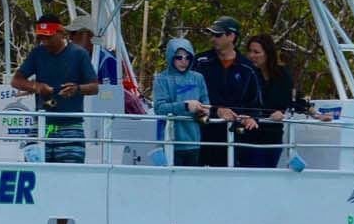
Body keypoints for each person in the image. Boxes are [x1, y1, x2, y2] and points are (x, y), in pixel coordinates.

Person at [11, 13, 99, 163]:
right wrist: (36, 86)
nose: (44, 42)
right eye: (41, 38)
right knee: (34, 172)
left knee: (69, 175)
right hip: (42, 124)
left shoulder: (79, 54)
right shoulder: (37, 53)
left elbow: (94, 87)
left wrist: (77, 89)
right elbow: (16, 80)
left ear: (61, 33)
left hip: (70, 125)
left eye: (49, 37)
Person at [191, 16, 261, 167]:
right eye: (212, 35)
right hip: (200, 133)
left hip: (233, 136)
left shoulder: (248, 67)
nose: (213, 39)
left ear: (232, 36)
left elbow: (255, 102)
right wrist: (217, 111)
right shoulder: (200, 61)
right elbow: (189, 95)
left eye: (218, 35)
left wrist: (251, 117)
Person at [238, 33, 309, 168]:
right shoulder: (246, 73)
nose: (251, 55)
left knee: (269, 174)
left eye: (256, 52)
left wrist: (317, 114)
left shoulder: (281, 74)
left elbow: (294, 98)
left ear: (268, 53)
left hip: (274, 136)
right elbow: (240, 101)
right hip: (250, 136)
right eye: (250, 51)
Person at [70, 12, 146, 115]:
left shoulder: (106, 60)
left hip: (102, 118)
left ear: (88, 34)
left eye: (74, 33)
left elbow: (109, 94)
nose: (70, 38)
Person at [150, 37, 210, 167]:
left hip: (194, 141)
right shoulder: (161, 79)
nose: (184, 61)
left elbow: (206, 101)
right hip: (170, 141)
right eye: (179, 57)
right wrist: (185, 106)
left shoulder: (198, 78)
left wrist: (205, 111)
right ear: (171, 57)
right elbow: (159, 108)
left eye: (187, 57)